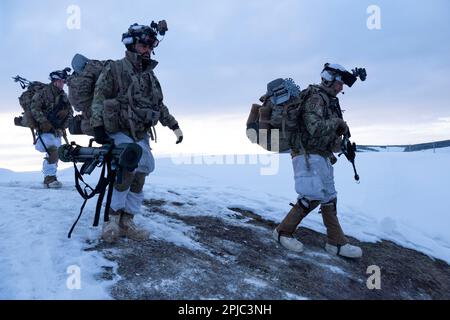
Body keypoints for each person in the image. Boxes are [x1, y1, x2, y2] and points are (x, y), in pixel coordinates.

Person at [90, 22, 183, 243]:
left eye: (151, 45)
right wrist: (98, 126)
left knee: (141, 173)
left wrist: (173, 126)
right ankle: (112, 220)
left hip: (140, 131)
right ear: (131, 44)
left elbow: (159, 105)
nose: (148, 49)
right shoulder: (115, 68)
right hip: (119, 129)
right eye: (144, 44)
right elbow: (99, 98)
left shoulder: (150, 76)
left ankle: (127, 221)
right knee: (128, 167)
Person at [273, 64, 363, 259]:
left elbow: (328, 133)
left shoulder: (329, 101)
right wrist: (338, 123)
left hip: (321, 155)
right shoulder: (315, 97)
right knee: (311, 195)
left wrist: (342, 143)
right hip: (307, 154)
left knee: (329, 197)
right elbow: (314, 127)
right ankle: (283, 232)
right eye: (339, 83)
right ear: (328, 79)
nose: (341, 88)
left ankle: (336, 242)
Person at [30, 68, 73, 189]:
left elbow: (71, 111)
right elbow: (34, 108)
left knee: (56, 153)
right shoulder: (43, 93)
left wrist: (66, 113)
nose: (62, 83)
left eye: (63, 81)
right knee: (53, 151)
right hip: (45, 130)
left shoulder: (63, 95)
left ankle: (50, 177)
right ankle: (50, 178)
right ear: (54, 81)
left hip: (57, 130)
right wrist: (44, 121)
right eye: (59, 81)